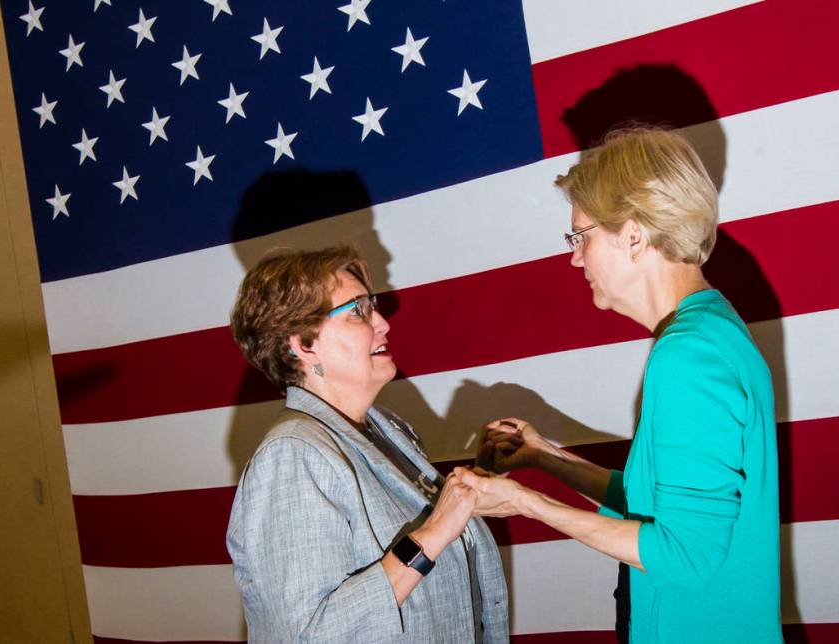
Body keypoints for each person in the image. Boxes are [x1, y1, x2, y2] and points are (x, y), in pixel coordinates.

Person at [457, 128, 782, 643]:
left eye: (580, 236)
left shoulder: (688, 356)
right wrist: (547, 457)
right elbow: (657, 502)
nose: (575, 259)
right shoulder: (708, 331)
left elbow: (686, 555)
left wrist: (525, 503)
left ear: (633, 235)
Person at [226, 246, 508, 643]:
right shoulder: (291, 456)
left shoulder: (384, 428)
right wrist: (433, 533)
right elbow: (310, 633)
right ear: (304, 345)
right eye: (357, 311)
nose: (383, 323)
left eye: (372, 306)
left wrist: (480, 477)